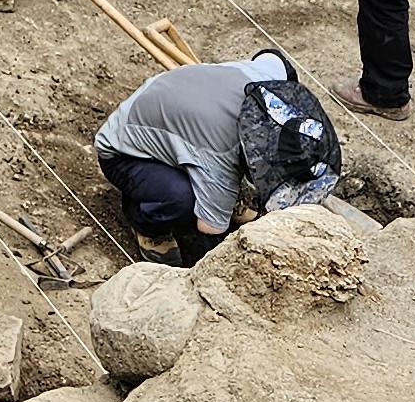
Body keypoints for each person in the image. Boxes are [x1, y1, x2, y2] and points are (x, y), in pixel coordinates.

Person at [94, 47, 300, 265]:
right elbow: (209, 229)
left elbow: (274, 56)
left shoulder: (271, 80)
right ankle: (146, 224)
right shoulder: (220, 152)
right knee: (181, 199)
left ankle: (217, 196)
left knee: (217, 176)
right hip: (124, 151)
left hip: (169, 114)